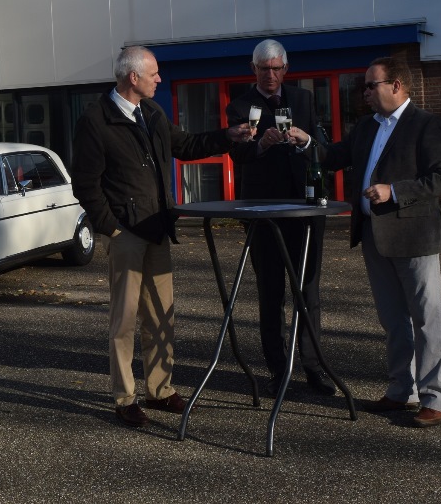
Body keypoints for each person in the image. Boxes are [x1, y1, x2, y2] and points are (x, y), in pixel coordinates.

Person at [71, 45, 254, 428]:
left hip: (157, 228)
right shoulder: (96, 120)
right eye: (154, 74)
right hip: (127, 234)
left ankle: (160, 388)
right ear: (132, 77)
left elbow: (186, 145)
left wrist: (228, 136)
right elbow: (85, 185)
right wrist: (112, 228)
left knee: (161, 316)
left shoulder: (151, 112)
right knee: (123, 320)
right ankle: (125, 398)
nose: (160, 79)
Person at [306, 56, 441, 428]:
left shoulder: (426, 125)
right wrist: (306, 141)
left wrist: (395, 191)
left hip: (415, 237)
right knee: (392, 320)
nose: (365, 93)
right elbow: (334, 157)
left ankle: (434, 398)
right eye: (365, 86)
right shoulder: (366, 127)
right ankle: (400, 391)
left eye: (371, 85)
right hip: (375, 235)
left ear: (397, 86)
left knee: (426, 320)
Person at [226, 39, 337, 396]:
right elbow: (238, 156)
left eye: (276, 68)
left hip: (304, 208)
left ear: (286, 69)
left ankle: (313, 367)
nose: (270, 75)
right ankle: (277, 369)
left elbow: (317, 149)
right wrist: (260, 145)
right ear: (253, 69)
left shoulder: (303, 100)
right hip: (263, 212)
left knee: (308, 292)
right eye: (264, 69)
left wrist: (304, 143)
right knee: (270, 292)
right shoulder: (240, 105)